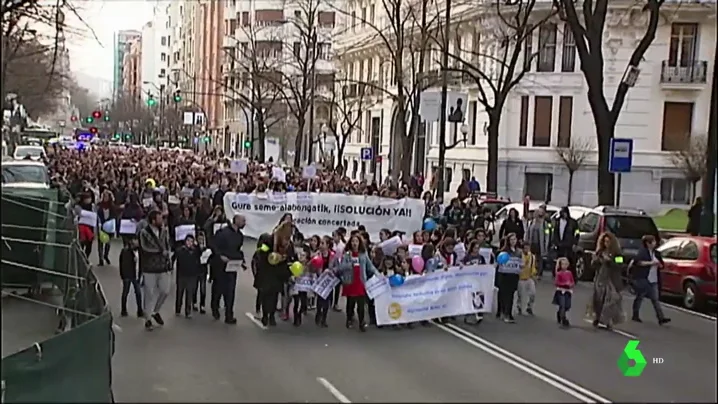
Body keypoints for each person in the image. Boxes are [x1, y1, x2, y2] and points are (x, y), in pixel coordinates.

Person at [336, 234, 380, 332]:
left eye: (356, 241)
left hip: (360, 282)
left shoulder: (363, 254)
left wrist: (378, 274)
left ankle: (361, 322)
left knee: (361, 304)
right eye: (353, 241)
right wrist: (349, 262)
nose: (354, 243)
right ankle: (349, 319)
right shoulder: (347, 254)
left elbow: (370, 266)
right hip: (350, 281)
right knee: (350, 303)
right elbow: (341, 268)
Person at [138, 210, 173, 331]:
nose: (162, 221)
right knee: (149, 293)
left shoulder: (164, 231)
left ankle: (155, 311)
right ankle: (147, 318)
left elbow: (167, 245)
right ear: (153, 220)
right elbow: (144, 248)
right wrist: (160, 252)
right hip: (149, 268)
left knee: (165, 291)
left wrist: (168, 255)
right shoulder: (144, 233)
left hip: (163, 267)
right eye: (159, 218)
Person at [210, 214, 246, 324]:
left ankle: (229, 315)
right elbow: (214, 245)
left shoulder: (240, 235)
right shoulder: (223, 233)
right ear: (236, 221)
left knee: (230, 291)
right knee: (218, 289)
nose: (244, 223)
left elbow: (238, 250)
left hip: (232, 266)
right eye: (243, 220)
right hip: (220, 266)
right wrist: (220, 255)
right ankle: (215, 307)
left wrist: (242, 261)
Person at [630, 235, 671, 325]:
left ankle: (661, 318)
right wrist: (651, 263)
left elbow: (661, 264)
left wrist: (660, 265)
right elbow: (638, 262)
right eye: (653, 242)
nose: (655, 243)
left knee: (655, 299)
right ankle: (635, 314)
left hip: (654, 279)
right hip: (644, 278)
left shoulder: (656, 253)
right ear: (648, 244)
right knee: (640, 297)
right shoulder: (642, 252)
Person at [589, 233, 625, 330]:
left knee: (611, 300)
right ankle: (597, 317)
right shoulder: (600, 252)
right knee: (598, 299)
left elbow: (620, 265)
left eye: (608, 242)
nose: (606, 243)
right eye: (604, 241)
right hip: (600, 278)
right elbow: (593, 266)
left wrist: (609, 261)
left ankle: (608, 320)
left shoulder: (618, 253)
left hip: (612, 279)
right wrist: (596, 260)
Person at [496, 233, 522, 323]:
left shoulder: (518, 252)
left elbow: (520, 263)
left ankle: (508, 313)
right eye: (511, 239)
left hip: (513, 276)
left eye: (514, 239)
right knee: (505, 295)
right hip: (504, 276)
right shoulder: (504, 251)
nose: (513, 241)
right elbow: (499, 263)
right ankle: (505, 313)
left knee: (511, 295)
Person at [175, 234, 201, 318]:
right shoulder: (180, 250)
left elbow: (200, 255)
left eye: (191, 241)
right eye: (188, 241)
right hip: (181, 275)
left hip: (191, 275)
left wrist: (198, 246)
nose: (189, 243)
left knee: (189, 294)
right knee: (180, 293)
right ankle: (178, 309)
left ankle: (188, 311)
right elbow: (177, 256)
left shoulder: (195, 251)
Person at [118, 237, 143, 318]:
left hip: (136, 275)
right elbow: (123, 264)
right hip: (128, 275)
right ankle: (123, 310)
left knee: (138, 293)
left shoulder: (140, 251)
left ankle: (140, 310)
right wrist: (123, 275)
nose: (138, 242)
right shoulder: (126, 251)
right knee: (126, 292)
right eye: (136, 240)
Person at [552, 207, 579, 278]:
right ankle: (558, 275)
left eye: (564, 213)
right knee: (559, 260)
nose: (563, 215)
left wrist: (575, 243)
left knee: (569, 261)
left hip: (569, 245)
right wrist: (555, 242)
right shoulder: (557, 221)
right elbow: (555, 232)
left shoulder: (573, 222)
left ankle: (571, 277)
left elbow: (577, 233)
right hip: (559, 244)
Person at [526, 205, 552, 280]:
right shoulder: (531, 223)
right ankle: (531, 271)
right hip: (532, 243)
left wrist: (546, 244)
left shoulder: (544, 224)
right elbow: (528, 232)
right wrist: (527, 241)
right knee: (532, 257)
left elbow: (547, 234)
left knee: (539, 259)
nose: (537, 215)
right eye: (536, 213)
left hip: (540, 244)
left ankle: (539, 273)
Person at [516, 242, 537, 316]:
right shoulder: (519, 256)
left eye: (528, 248)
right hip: (520, 278)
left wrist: (534, 274)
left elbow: (533, 266)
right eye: (525, 248)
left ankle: (529, 307)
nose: (527, 249)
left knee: (533, 293)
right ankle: (519, 306)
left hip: (529, 277)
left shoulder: (532, 256)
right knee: (520, 294)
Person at [553, 257, 575, 328]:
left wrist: (571, 284)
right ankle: (563, 318)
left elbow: (572, 282)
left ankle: (560, 313)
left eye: (566, 264)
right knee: (562, 304)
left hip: (568, 291)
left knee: (567, 305)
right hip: (561, 291)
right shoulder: (559, 273)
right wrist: (565, 284)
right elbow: (556, 283)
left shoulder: (569, 273)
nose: (564, 266)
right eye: (563, 264)